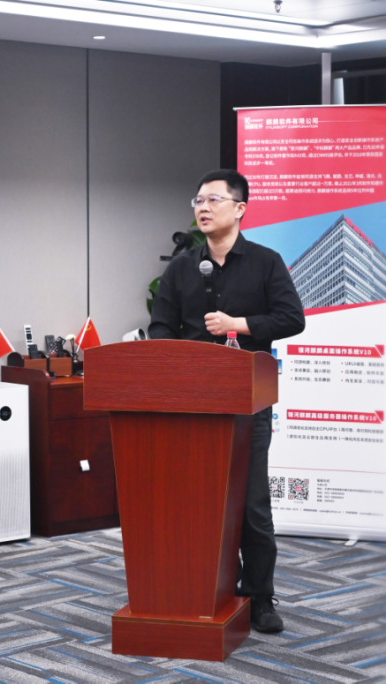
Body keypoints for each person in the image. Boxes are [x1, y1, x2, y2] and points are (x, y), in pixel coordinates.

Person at [148, 169, 305, 633]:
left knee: (252, 502)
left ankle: (260, 597)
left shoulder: (265, 262)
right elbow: (161, 328)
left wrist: (239, 325)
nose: (203, 207)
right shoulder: (181, 268)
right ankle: (208, 585)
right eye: (198, 200)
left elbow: (292, 318)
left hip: (248, 401)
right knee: (199, 501)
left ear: (239, 209)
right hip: (193, 402)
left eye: (213, 200)